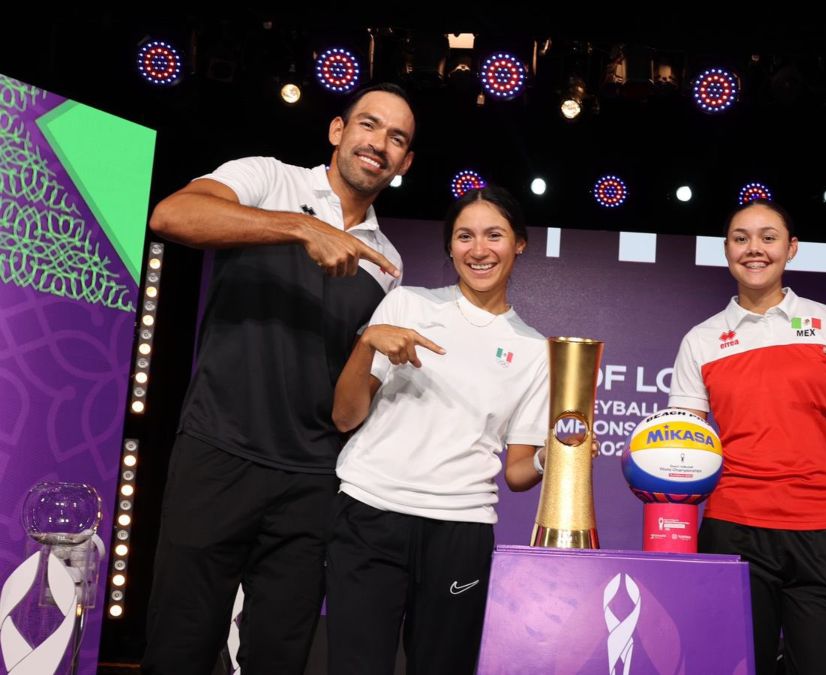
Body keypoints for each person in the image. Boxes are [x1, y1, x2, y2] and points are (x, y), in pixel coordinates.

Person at [142, 82, 416, 675]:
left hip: (313, 482)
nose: (380, 144)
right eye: (368, 125)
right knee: (180, 645)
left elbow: (351, 399)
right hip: (216, 454)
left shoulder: (388, 264)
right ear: (338, 131)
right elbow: (172, 214)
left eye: (397, 138)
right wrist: (299, 227)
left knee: (279, 657)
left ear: (405, 162)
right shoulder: (268, 178)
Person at [325, 185, 549, 674]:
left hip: (460, 529)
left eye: (494, 235)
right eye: (465, 236)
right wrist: (367, 345)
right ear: (450, 247)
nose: (479, 249)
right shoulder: (408, 305)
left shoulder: (534, 350)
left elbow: (517, 471)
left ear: (519, 244)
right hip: (371, 512)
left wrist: (553, 457)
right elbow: (345, 417)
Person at [668, 200, 826, 674]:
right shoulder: (701, 340)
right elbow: (683, 456)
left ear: (791, 249)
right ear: (726, 249)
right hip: (734, 533)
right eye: (740, 238)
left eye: (768, 238)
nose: (754, 249)